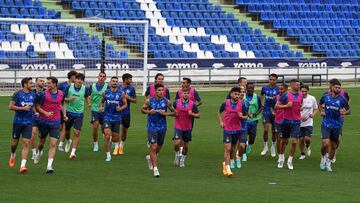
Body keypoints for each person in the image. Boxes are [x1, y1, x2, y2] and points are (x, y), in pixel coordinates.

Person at [142, 83, 175, 177]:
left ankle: (150, 158)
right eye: (159, 90)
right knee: (153, 147)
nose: (161, 92)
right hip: (152, 126)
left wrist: (166, 114)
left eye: (162, 90)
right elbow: (142, 109)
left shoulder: (166, 102)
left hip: (162, 127)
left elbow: (175, 112)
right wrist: (149, 112)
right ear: (155, 91)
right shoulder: (149, 101)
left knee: (158, 147)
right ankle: (155, 169)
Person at [34, 77, 66, 174]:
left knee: (53, 144)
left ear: (55, 84)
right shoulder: (43, 94)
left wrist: (64, 114)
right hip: (44, 121)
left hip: (55, 122)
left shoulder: (61, 94)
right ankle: (39, 152)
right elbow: (37, 106)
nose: (46, 85)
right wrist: (45, 113)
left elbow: (63, 104)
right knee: (41, 143)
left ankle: (49, 166)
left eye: (49, 83)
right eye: (46, 83)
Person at [319, 80, 350, 172]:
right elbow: (319, 104)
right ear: (332, 88)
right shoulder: (325, 97)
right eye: (336, 87)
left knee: (333, 146)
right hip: (326, 124)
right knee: (325, 144)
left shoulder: (342, 99)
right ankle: (323, 157)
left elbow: (349, 110)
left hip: (337, 125)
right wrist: (321, 111)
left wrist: (345, 112)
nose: (338, 89)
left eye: (339, 88)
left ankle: (328, 163)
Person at [8, 77, 35, 174]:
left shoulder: (33, 94)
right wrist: (22, 108)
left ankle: (22, 166)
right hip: (18, 122)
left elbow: (34, 106)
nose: (32, 85)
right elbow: (10, 107)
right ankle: (13, 155)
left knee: (26, 143)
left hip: (28, 123)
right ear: (25, 84)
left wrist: (36, 112)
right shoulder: (17, 94)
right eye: (30, 83)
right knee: (15, 143)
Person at [218, 87, 246, 177]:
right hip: (227, 130)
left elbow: (246, 116)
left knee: (233, 150)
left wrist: (241, 116)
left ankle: (225, 164)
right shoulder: (225, 103)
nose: (237, 96)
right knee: (227, 149)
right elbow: (219, 112)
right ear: (231, 94)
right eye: (235, 94)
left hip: (237, 130)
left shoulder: (242, 104)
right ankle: (228, 168)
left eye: (238, 94)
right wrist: (221, 122)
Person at [275, 79, 302, 170]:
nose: (299, 86)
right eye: (297, 85)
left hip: (296, 122)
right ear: (292, 85)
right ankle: (281, 158)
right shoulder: (286, 95)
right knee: (283, 141)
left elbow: (300, 103)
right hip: (286, 121)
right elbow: (276, 106)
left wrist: (300, 108)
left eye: (299, 85)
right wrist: (286, 106)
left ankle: (290, 160)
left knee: (294, 141)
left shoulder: (301, 94)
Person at [100, 76, 127, 161]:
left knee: (115, 138)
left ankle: (114, 142)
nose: (114, 82)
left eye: (116, 81)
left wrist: (120, 108)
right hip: (107, 116)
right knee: (107, 135)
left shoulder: (121, 93)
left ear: (117, 83)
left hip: (117, 118)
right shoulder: (106, 92)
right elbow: (102, 101)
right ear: (110, 83)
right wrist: (101, 107)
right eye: (113, 81)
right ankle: (108, 155)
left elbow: (125, 104)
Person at [63, 73, 90, 160]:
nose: (79, 81)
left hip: (79, 114)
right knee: (67, 131)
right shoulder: (69, 87)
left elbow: (86, 97)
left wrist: (88, 103)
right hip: (68, 112)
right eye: (78, 79)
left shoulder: (85, 88)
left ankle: (73, 152)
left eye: (81, 79)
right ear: (75, 79)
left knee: (77, 132)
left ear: (83, 81)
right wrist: (69, 99)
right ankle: (68, 141)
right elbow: (62, 98)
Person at [173, 88, 200, 168]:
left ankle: (182, 160)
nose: (186, 94)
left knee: (186, 146)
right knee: (177, 143)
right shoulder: (176, 102)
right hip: (178, 126)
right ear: (181, 94)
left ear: (190, 95)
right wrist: (174, 113)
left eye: (187, 93)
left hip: (188, 127)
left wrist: (192, 114)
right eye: (184, 93)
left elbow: (198, 115)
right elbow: (172, 110)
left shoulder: (192, 104)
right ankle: (177, 154)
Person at [260, 74, 279, 157]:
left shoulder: (278, 89)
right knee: (266, 130)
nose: (272, 81)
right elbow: (261, 95)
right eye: (270, 79)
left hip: (275, 112)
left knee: (274, 131)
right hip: (266, 111)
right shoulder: (264, 88)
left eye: (273, 79)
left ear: (276, 80)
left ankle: (273, 147)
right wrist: (261, 103)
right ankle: (265, 146)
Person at [58, 70, 77, 152]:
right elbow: (58, 96)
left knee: (66, 127)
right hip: (59, 108)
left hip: (68, 109)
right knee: (60, 127)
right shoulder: (62, 85)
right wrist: (69, 99)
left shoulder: (76, 86)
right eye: (75, 77)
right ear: (71, 76)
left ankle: (60, 144)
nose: (76, 79)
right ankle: (68, 140)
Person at [88, 72, 108, 152]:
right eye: (100, 76)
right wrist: (89, 103)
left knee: (105, 128)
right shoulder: (92, 86)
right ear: (98, 77)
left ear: (105, 78)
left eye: (103, 76)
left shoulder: (107, 87)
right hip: (95, 109)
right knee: (95, 126)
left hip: (104, 110)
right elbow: (88, 96)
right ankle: (95, 143)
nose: (101, 78)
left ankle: (108, 139)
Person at [118, 73, 137, 155]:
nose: (131, 81)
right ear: (125, 80)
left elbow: (135, 101)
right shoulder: (118, 88)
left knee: (124, 130)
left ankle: (121, 146)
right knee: (113, 129)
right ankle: (114, 142)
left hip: (126, 112)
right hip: (116, 112)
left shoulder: (131, 89)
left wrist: (127, 97)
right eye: (130, 79)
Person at [243, 83, 262, 161]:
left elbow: (261, 107)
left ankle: (249, 144)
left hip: (254, 120)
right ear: (246, 88)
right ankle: (244, 155)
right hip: (244, 120)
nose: (251, 90)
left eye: (252, 88)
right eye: (249, 88)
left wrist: (255, 114)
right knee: (243, 138)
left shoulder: (257, 97)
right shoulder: (242, 97)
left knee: (252, 138)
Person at [299, 85, 318, 160]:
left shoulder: (312, 98)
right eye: (302, 91)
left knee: (307, 138)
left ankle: (308, 146)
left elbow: (316, 108)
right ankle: (302, 153)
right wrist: (300, 117)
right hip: (299, 122)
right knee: (300, 139)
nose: (303, 93)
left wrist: (313, 114)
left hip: (309, 122)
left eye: (305, 91)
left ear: (308, 91)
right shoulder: (297, 99)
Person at [232, 86, 248, 169]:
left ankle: (238, 158)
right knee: (232, 147)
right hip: (233, 127)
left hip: (243, 127)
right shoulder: (231, 103)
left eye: (243, 92)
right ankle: (231, 160)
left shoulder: (245, 103)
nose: (241, 93)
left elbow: (246, 116)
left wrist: (242, 116)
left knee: (242, 146)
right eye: (240, 92)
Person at [30, 77, 45, 160]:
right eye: (40, 81)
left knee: (42, 137)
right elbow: (31, 104)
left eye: (43, 81)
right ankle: (34, 152)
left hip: (44, 117)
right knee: (33, 134)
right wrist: (35, 112)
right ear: (36, 82)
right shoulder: (32, 93)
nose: (42, 82)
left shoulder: (46, 92)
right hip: (34, 116)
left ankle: (40, 150)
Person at [274, 83, 288, 164]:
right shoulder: (277, 97)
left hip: (287, 121)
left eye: (282, 89)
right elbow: (272, 107)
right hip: (278, 121)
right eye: (279, 89)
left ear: (286, 89)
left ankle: (282, 153)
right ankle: (280, 157)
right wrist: (273, 112)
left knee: (285, 141)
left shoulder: (289, 97)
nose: (280, 91)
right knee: (279, 139)